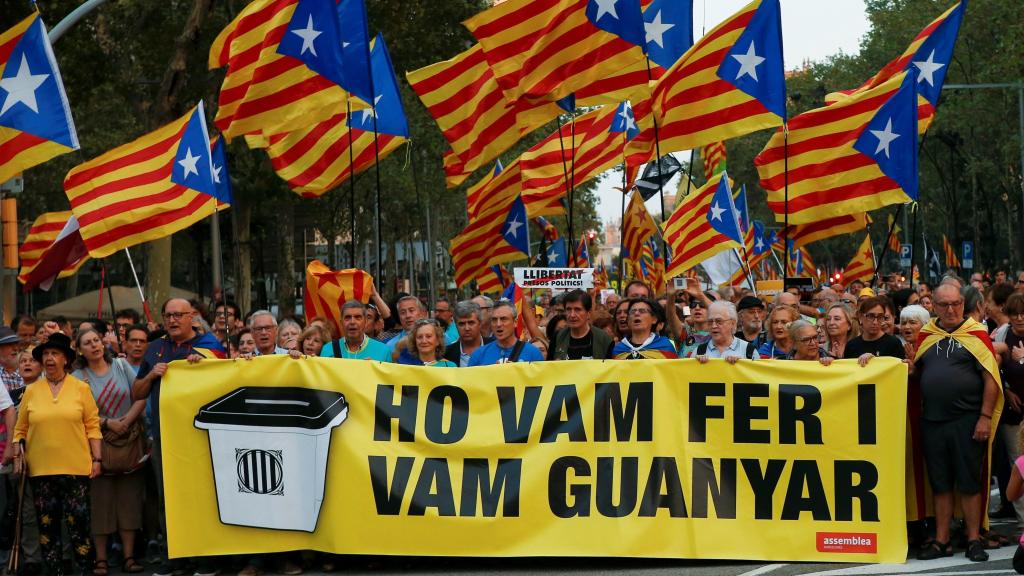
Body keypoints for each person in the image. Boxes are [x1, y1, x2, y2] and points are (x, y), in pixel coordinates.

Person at [131, 299, 224, 576]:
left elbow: (225, 383)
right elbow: (136, 392)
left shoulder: (210, 346)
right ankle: (174, 558)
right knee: (168, 498)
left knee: (203, 497)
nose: (172, 320)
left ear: (192, 316)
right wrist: (152, 377)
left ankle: (206, 559)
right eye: (168, 315)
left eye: (178, 315)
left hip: (201, 438)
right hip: (164, 438)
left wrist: (203, 364)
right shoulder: (155, 348)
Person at [914, 284, 1002, 562]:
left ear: (963, 304)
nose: (950, 309)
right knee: (939, 483)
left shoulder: (976, 334)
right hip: (932, 422)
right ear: (934, 307)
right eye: (944, 304)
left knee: (969, 483)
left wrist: (985, 417)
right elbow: (917, 371)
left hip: (968, 421)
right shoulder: (926, 335)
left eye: (955, 304)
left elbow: (991, 379)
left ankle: (973, 538)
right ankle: (941, 540)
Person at [11, 333, 102, 576]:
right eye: (46, 354)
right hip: (41, 470)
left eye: (55, 354)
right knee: (47, 528)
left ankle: (84, 570)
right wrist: (17, 451)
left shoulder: (81, 388)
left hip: (76, 468)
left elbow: (93, 426)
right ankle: (55, 572)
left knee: (78, 526)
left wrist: (97, 459)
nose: (49, 358)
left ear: (65, 360)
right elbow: (20, 429)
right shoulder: (31, 390)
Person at [72, 329, 147, 575]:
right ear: (79, 349)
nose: (94, 346)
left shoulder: (122, 365)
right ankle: (101, 559)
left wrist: (124, 423)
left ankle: (129, 557)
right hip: (96, 446)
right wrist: (107, 423)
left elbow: (140, 395)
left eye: (96, 340)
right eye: (87, 343)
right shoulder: (77, 377)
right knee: (100, 503)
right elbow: (79, 413)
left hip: (129, 441)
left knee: (129, 501)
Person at [997, 294, 1024, 527]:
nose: (1019, 318)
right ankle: (1023, 518)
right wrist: (1006, 390)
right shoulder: (1005, 333)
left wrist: (1023, 360)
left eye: (1023, 313)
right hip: (1013, 409)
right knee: (1018, 462)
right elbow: (997, 365)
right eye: (1014, 313)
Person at [468, 302, 544, 365]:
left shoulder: (533, 353)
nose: (498, 324)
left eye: (503, 319)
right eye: (494, 320)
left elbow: (541, 381)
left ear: (515, 322)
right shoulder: (478, 355)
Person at [548, 290, 614, 360]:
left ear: (588, 313)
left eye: (577, 309)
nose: (572, 315)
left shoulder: (604, 339)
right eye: (568, 309)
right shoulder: (558, 337)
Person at [321, 301, 391, 361]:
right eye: (347, 317)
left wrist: (375, 370)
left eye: (358, 317)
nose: (352, 322)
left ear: (365, 322)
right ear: (341, 323)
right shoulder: (328, 349)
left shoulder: (383, 351)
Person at [690, 301, 758, 363]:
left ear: (733, 323)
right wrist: (696, 365)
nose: (714, 326)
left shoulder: (748, 351)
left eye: (719, 321)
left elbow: (756, 375)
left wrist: (742, 365)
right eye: (710, 322)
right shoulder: (698, 352)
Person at [844, 296, 906, 362]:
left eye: (880, 317)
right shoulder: (852, 345)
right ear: (860, 317)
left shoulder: (893, 344)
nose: (875, 322)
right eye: (871, 316)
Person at [612, 299, 678, 359]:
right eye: (632, 311)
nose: (636, 313)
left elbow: (672, 371)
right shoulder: (618, 350)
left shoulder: (665, 346)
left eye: (642, 311)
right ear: (628, 320)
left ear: (654, 319)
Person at [443, 301, 492, 367]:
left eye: (471, 323)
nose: (467, 328)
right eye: (462, 324)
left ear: (480, 324)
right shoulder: (446, 354)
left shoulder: (494, 346)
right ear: (456, 326)